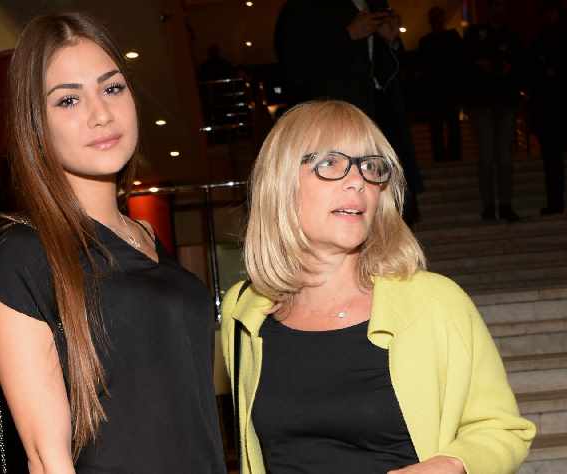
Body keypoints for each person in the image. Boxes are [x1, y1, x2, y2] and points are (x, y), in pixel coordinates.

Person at [220, 100, 535, 474]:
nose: (358, 181)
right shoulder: (245, 311)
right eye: (330, 163)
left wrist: (451, 465)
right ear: (281, 183)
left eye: (370, 167)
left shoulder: (435, 302)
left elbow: (502, 428)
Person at [0, 13, 226, 473]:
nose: (101, 114)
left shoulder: (148, 241)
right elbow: (48, 459)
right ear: (35, 125)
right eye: (68, 100)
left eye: (112, 88)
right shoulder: (24, 255)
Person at [274, 0, 423, 227]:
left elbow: (388, 70)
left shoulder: (373, 2)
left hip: (381, 114)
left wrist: (389, 41)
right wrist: (347, 35)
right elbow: (293, 64)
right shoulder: (302, 7)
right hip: (334, 119)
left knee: (390, 200)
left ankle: (390, 236)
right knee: (345, 195)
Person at [463, 0, 522, 222]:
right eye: (494, 6)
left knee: (505, 157)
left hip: (505, 103)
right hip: (482, 104)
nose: (498, 10)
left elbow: (518, 66)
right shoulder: (475, 35)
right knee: (487, 157)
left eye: (501, 6)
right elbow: (468, 66)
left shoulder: (511, 36)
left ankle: (505, 204)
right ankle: (489, 205)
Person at [526, 0, 567, 215]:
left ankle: (556, 202)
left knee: (553, 161)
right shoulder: (538, 41)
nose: (551, 16)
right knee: (551, 162)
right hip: (548, 112)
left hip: (558, 108)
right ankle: (555, 202)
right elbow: (532, 79)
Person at [418, 6, 463, 162]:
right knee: (439, 126)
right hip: (436, 91)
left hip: (447, 90)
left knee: (450, 125)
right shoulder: (428, 41)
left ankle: (451, 156)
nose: (437, 20)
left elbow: (460, 65)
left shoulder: (450, 38)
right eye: (434, 17)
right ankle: (443, 156)